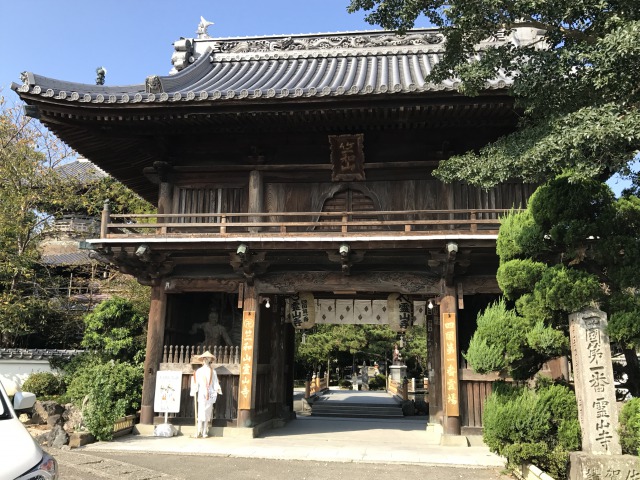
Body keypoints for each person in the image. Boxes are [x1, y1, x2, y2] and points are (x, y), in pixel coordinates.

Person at [191, 350, 222, 438]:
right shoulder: (199, 371)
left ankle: (205, 431)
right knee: (201, 411)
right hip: (202, 391)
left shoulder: (213, 371)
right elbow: (196, 382)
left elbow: (215, 382)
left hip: (211, 392)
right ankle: (198, 430)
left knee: (208, 411)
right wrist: (194, 389)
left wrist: (217, 388)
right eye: (205, 358)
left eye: (208, 359)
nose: (207, 360)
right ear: (203, 359)